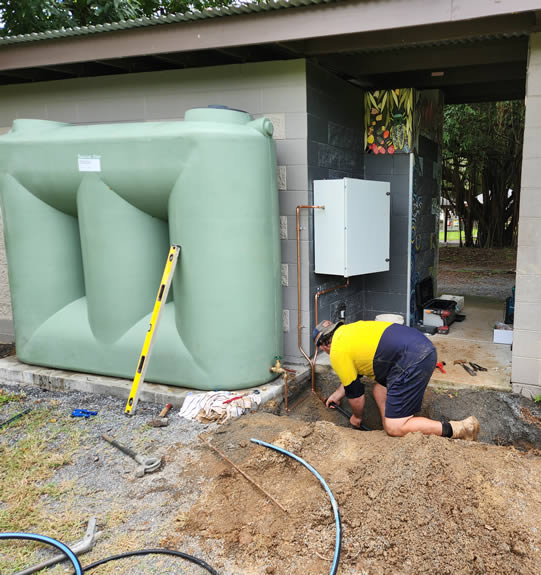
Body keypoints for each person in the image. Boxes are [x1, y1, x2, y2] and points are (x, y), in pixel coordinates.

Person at [314, 319, 480, 440]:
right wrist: (337, 394)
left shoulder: (336, 352)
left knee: (394, 427)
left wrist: (357, 417)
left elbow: (356, 395)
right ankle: (394, 420)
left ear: (323, 346)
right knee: (380, 389)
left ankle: (459, 429)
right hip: (423, 348)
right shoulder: (351, 330)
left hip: (411, 361)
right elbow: (353, 376)